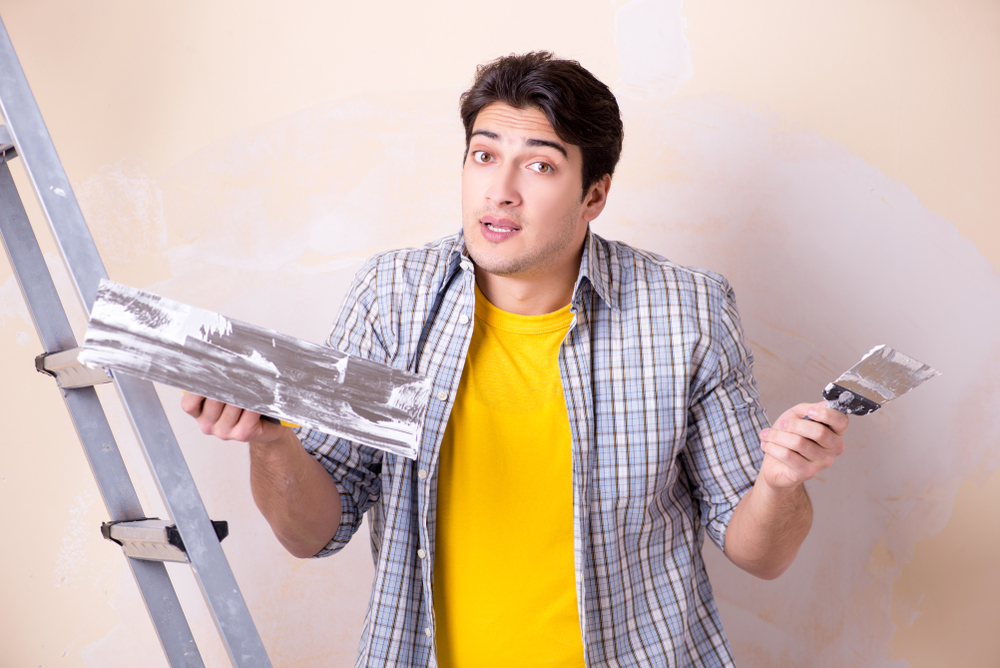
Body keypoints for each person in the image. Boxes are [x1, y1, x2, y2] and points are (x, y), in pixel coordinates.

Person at [182, 52, 848, 668]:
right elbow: (313, 534)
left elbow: (761, 552)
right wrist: (269, 442)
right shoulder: (393, 299)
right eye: (482, 155)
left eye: (540, 166)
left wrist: (782, 480)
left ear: (594, 195)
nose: (499, 191)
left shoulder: (686, 311)